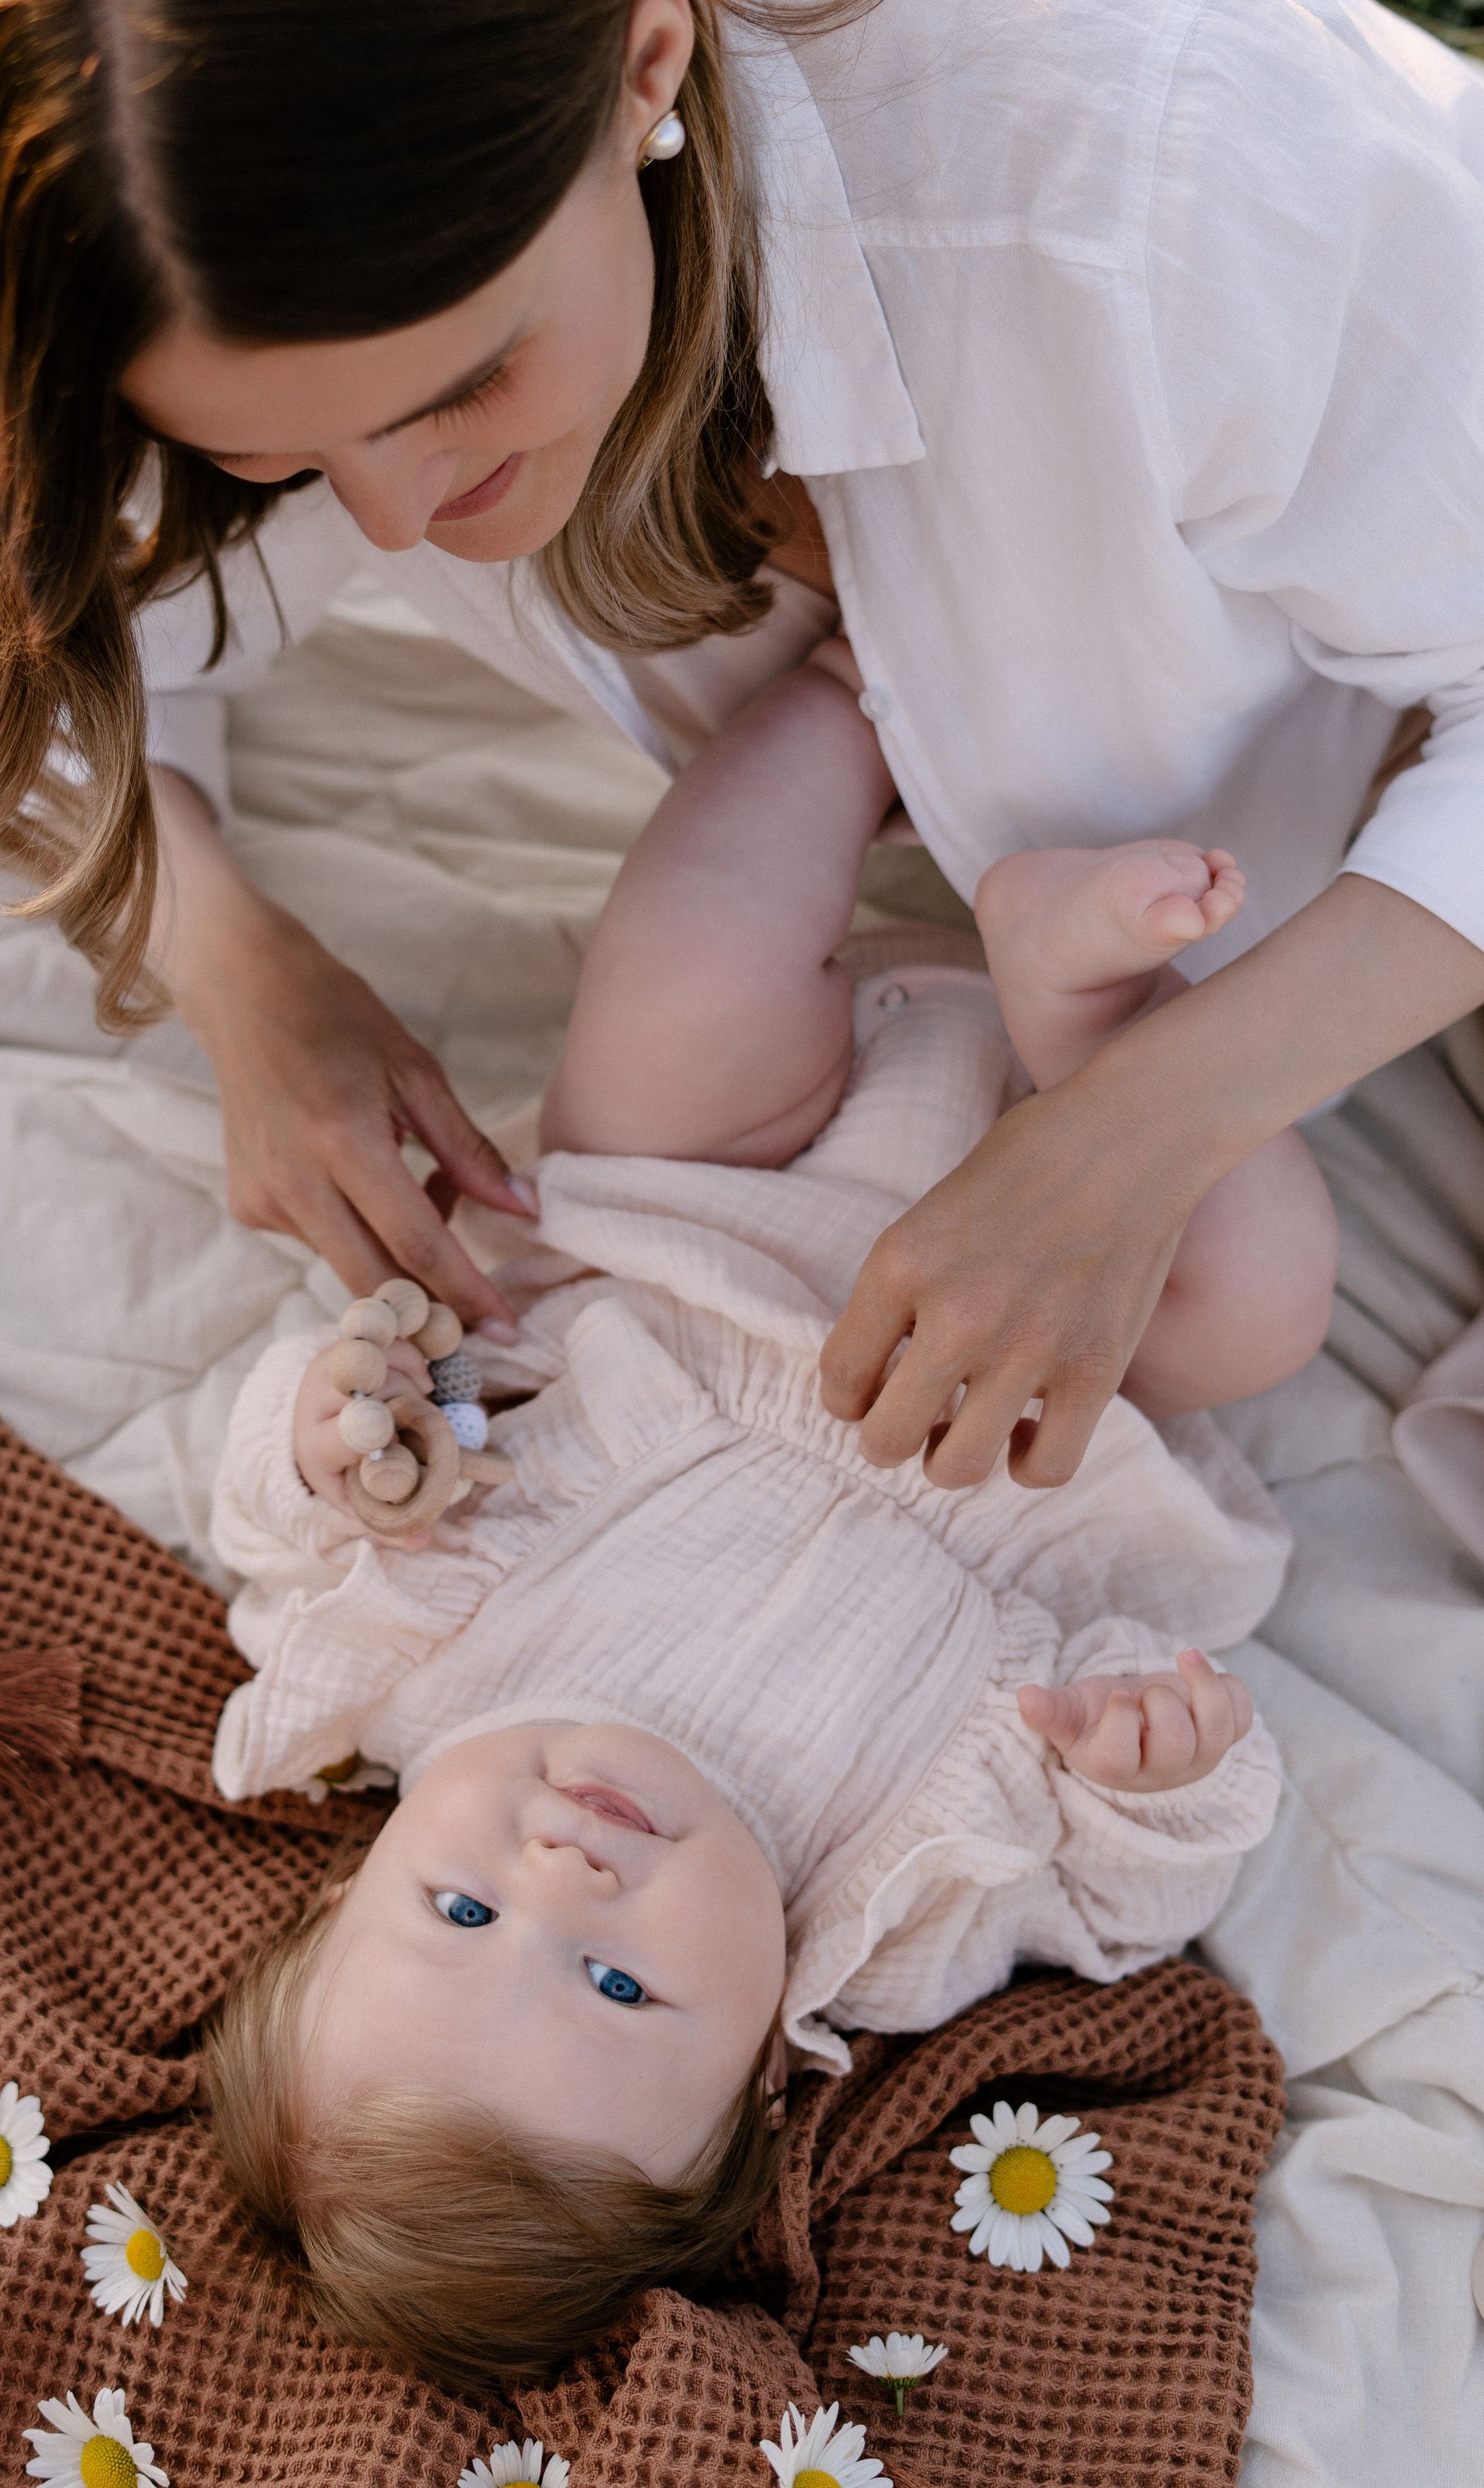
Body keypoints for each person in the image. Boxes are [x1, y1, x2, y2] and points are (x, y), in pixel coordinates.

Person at [0, 0, 1484, 1496]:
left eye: (466, 385)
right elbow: (57, 641)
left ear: (644, 69)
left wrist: (1135, 1133)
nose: (390, 516)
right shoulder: (201, 242)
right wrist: (243, 976)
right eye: (269, 452)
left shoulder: (1140, 154)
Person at [196, 739, 1297, 2390]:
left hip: (728, 1197)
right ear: (764, 2074)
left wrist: (335, 1439)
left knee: (665, 1017)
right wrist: (1150, 1773)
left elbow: (267, 1519)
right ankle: (1090, 1010)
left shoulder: (402, 1666)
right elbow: (1124, 1901)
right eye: (623, 1984)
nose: (565, 1878)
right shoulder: (890, 1915)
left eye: (463, 1903)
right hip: (1068, 1337)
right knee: (1261, 1308)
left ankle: (841, 708)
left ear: (357, 1876)